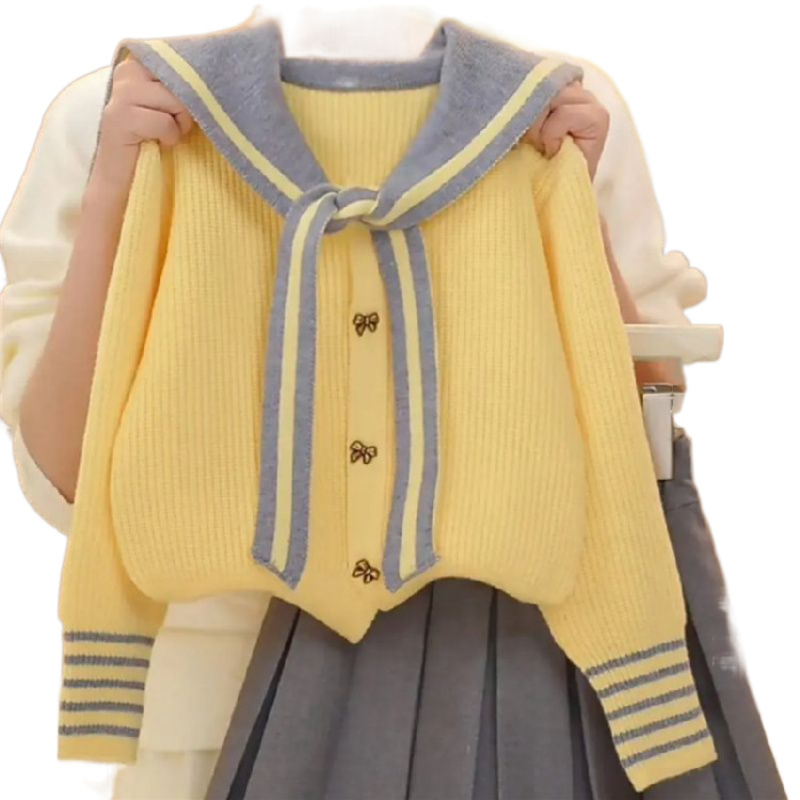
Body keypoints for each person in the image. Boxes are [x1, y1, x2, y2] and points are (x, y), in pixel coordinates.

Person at [0, 8, 783, 800]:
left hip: (496, 689)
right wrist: (115, 191)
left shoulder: (551, 108)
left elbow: (639, 440)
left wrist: (570, 212)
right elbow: (65, 479)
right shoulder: (128, 108)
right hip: (205, 708)